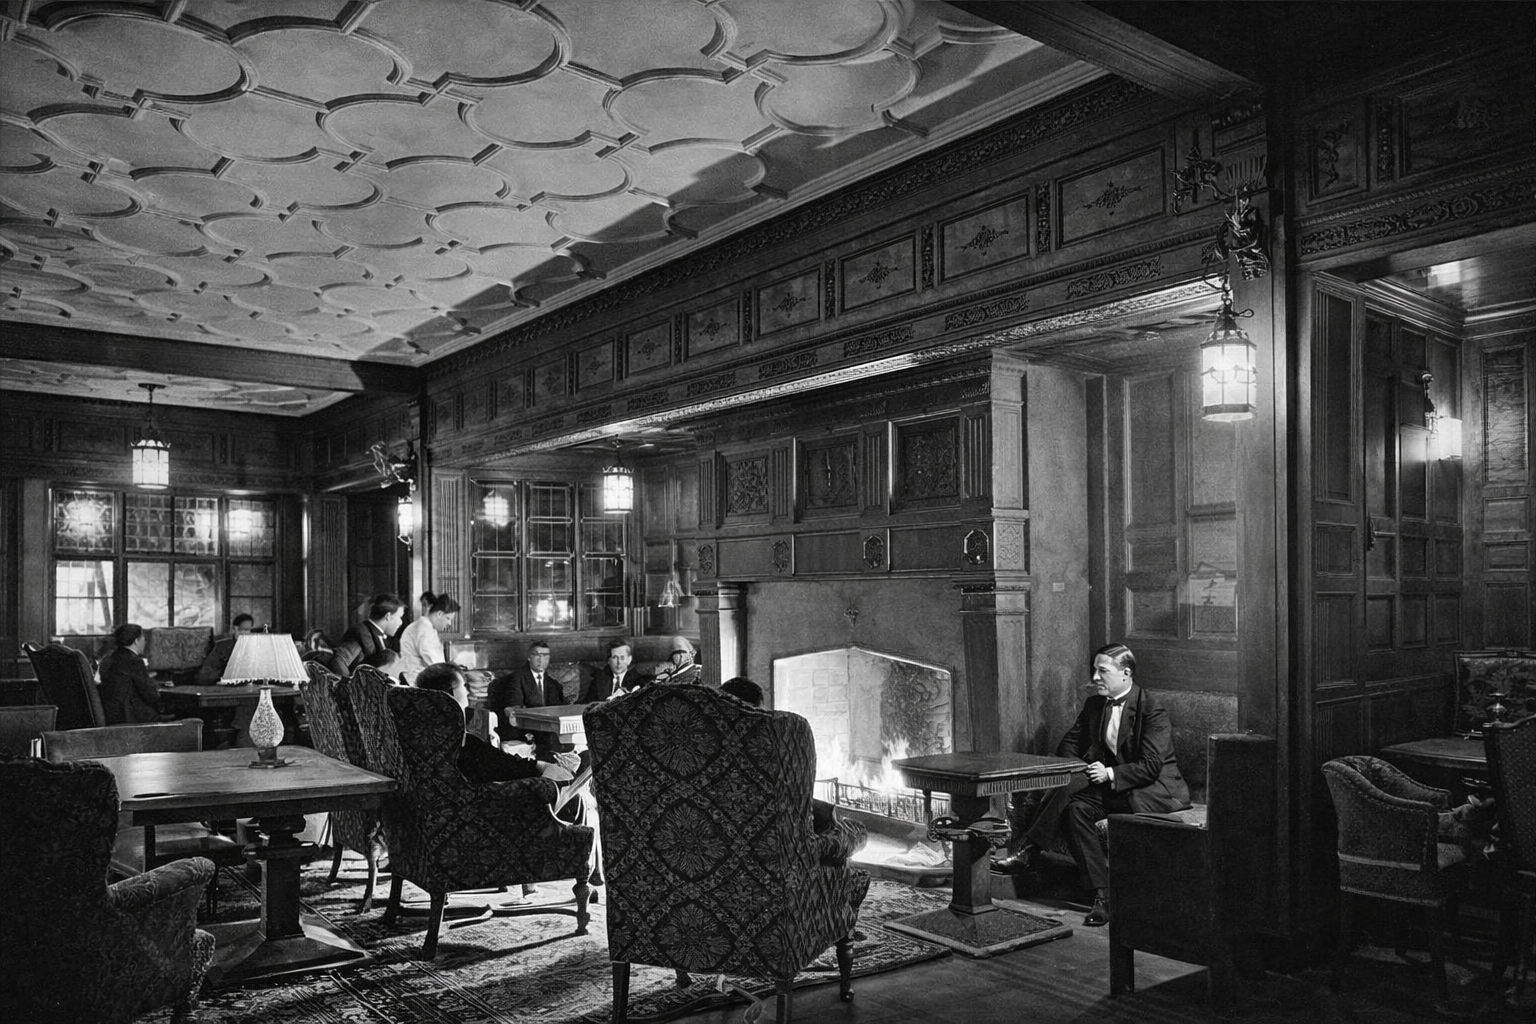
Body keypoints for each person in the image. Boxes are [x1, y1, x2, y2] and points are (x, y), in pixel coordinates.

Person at [992, 642, 1190, 928]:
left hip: (1150, 790)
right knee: (1075, 810)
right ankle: (1102, 896)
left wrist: (1108, 773)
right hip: (1108, 789)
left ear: (1125, 673)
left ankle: (1027, 851)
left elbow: (1150, 767)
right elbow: (1067, 746)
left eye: (1102, 671)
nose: (1095, 677)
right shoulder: (1095, 704)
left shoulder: (1151, 710)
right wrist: (1087, 769)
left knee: (1069, 787)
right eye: (1094, 670)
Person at [414, 663, 583, 812]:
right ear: (450, 693)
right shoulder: (464, 742)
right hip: (488, 816)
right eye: (464, 686)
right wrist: (542, 768)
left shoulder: (417, 739)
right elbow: (503, 767)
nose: (467, 692)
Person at [488, 639, 562, 750]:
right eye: (537, 655)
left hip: (548, 726)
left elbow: (559, 708)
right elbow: (514, 708)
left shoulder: (553, 683)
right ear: (529, 657)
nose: (541, 659)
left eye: (545, 655)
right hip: (526, 728)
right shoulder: (517, 678)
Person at [327, 593, 405, 678]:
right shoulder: (360, 633)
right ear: (388, 616)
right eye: (400, 617)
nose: (401, 622)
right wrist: (350, 687)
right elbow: (338, 661)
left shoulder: (384, 637)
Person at [98, 623, 164, 724]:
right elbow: (151, 695)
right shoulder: (134, 661)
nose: (145, 641)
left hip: (112, 716)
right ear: (136, 641)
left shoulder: (108, 659)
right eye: (143, 638)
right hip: (132, 718)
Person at [397, 592, 459, 684]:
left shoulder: (425, 626)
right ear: (439, 614)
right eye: (448, 618)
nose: (449, 623)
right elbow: (435, 664)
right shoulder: (425, 629)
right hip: (417, 682)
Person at [195, 613, 254, 684]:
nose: (243, 633)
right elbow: (205, 674)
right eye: (240, 630)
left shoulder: (257, 648)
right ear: (233, 629)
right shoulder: (223, 647)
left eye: (247, 630)